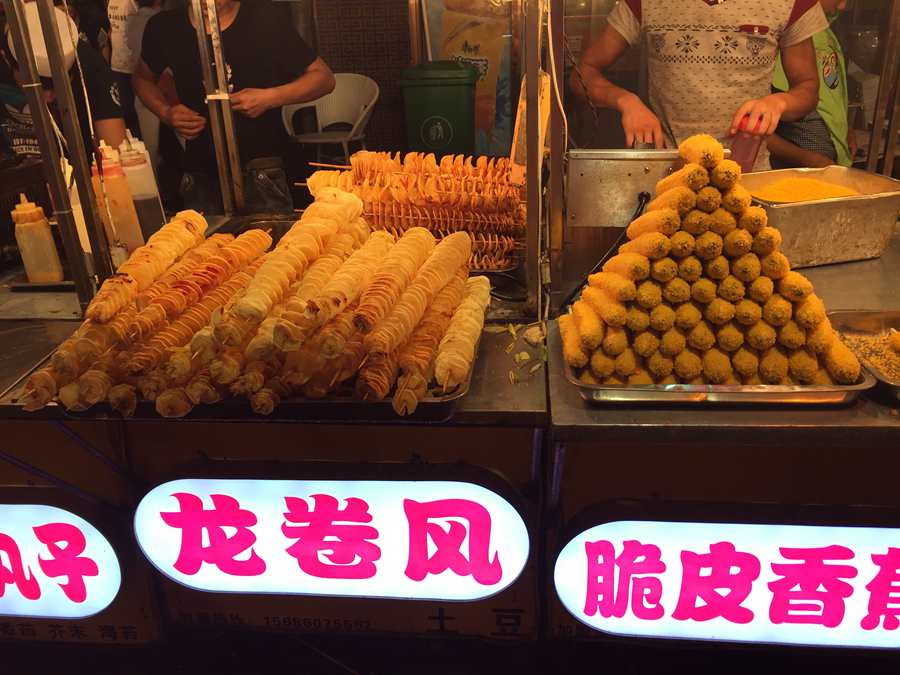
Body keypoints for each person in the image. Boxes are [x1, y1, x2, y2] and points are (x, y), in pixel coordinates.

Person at [133, 0, 335, 214]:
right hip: (198, 171)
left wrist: (269, 98)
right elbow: (142, 79)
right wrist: (166, 112)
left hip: (262, 168)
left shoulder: (264, 19)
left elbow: (323, 78)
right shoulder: (165, 27)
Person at [573, 0, 828, 169]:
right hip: (668, 175)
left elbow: (808, 88)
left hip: (746, 176)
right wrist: (626, 101)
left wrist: (778, 102)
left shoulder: (793, 3)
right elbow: (582, 74)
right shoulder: (643, 2)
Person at [1, 3, 126, 159]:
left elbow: (116, 151)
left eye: (58, 85)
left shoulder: (91, 67)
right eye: (40, 86)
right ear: (7, 60)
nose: (49, 96)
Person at [768, 0, 855, 168]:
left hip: (830, 160)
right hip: (797, 170)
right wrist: (804, 157)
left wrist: (844, 129)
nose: (843, 6)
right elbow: (752, 123)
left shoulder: (827, 33)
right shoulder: (783, 34)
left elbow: (831, 93)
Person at [108, 0, 161, 138]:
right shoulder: (125, 3)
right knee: (135, 112)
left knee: (132, 111)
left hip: (125, 63)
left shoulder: (120, 2)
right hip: (127, 64)